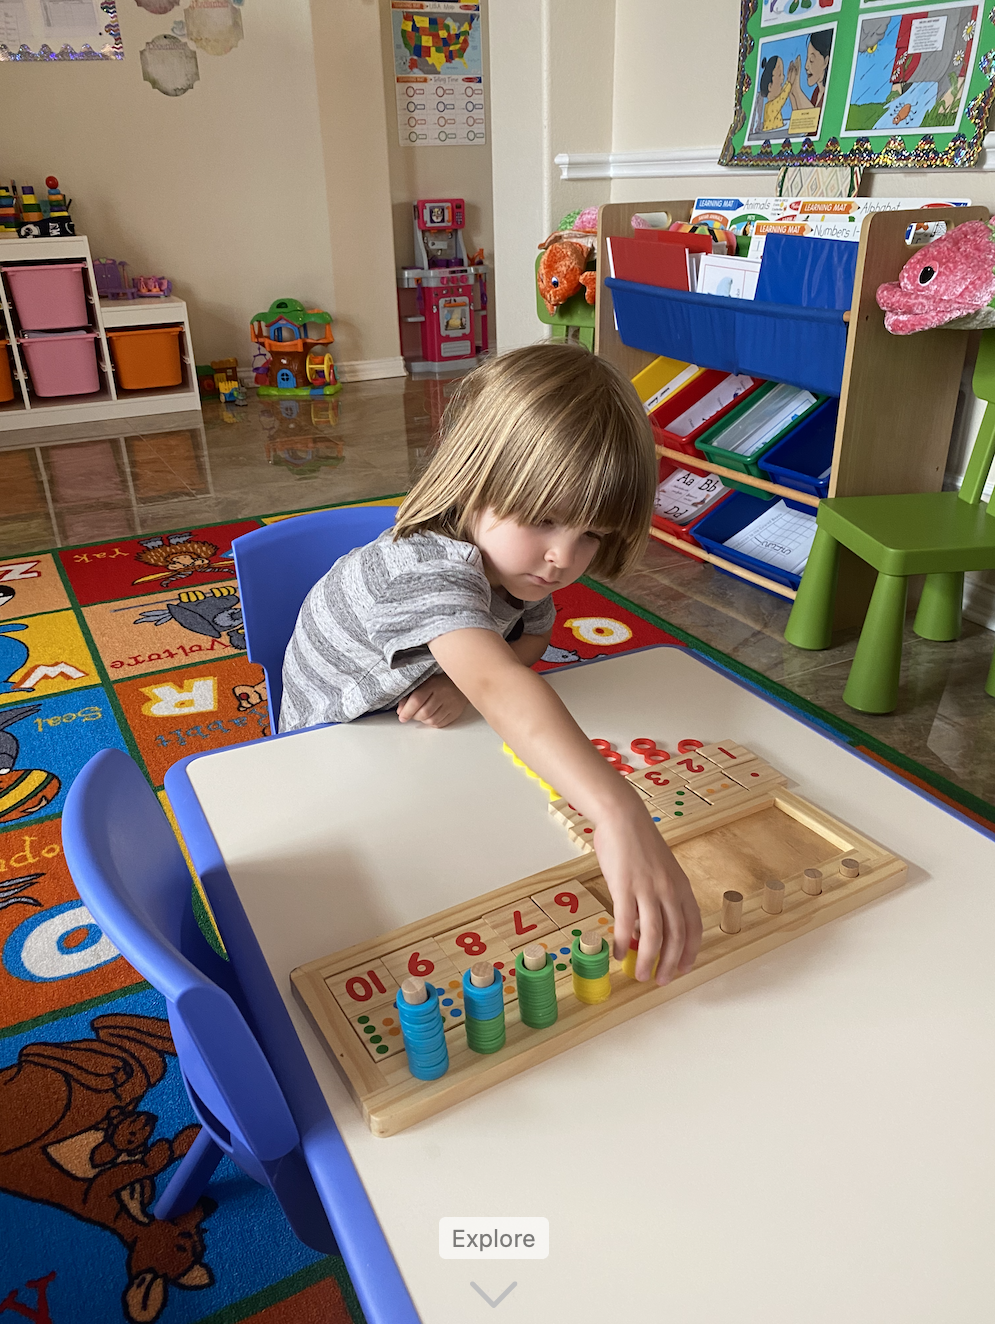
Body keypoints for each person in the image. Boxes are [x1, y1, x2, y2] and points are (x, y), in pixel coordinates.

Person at [280, 342, 703, 987]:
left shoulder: (519, 572)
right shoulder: (422, 570)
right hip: (321, 754)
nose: (562, 559)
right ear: (474, 480)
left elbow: (528, 642)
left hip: (413, 745)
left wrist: (459, 683)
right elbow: (502, 681)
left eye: (590, 534)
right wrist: (619, 811)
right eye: (544, 519)